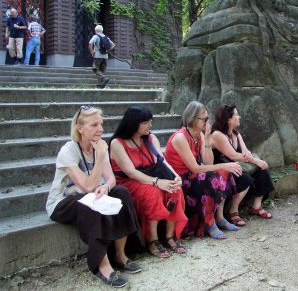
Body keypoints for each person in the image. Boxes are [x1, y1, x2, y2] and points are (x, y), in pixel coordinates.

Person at [45, 106, 143, 288]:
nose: (101, 129)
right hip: (62, 202)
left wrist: (105, 187)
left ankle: (120, 254)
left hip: (91, 195)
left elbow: (111, 178)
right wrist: (100, 158)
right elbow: (87, 186)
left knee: (121, 192)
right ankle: (103, 265)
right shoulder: (68, 151)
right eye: (94, 125)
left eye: (101, 124)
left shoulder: (99, 146)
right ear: (79, 128)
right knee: (89, 205)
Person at [109, 106, 187, 258]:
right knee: (152, 192)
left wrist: (176, 176)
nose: (150, 126)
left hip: (151, 176)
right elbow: (130, 172)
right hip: (129, 181)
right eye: (145, 123)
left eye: (150, 122)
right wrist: (157, 182)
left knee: (175, 188)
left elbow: (162, 161)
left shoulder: (151, 138)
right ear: (133, 123)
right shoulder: (117, 143)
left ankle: (170, 236)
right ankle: (152, 240)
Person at [164, 101, 243, 240]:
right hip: (180, 178)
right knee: (210, 178)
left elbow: (208, 162)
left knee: (224, 173)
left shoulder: (199, 135)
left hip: (193, 175)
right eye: (204, 119)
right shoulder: (180, 137)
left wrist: (207, 138)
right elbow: (195, 167)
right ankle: (209, 223)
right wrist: (224, 165)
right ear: (193, 118)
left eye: (208, 118)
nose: (207, 122)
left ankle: (219, 217)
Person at [211, 104, 274, 225]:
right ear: (228, 119)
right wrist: (256, 161)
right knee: (245, 177)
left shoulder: (236, 134)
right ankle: (233, 211)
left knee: (262, 170)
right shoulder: (217, 134)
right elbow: (234, 156)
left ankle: (256, 206)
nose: (239, 117)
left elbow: (245, 152)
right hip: (222, 169)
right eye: (236, 115)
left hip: (236, 166)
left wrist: (250, 156)